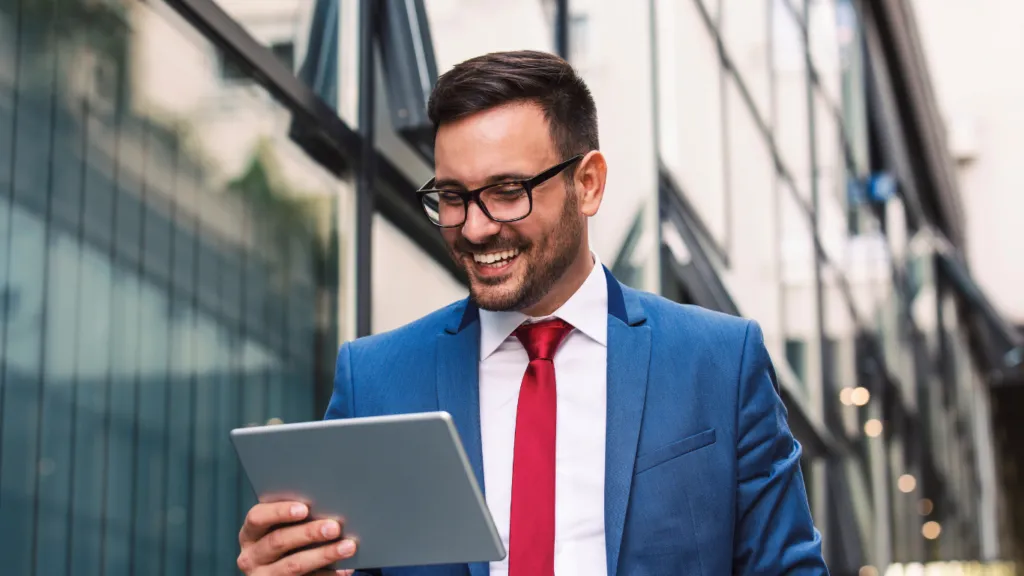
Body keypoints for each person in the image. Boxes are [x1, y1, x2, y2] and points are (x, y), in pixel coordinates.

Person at [236, 50, 829, 576]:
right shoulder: (375, 379)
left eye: (506, 191)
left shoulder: (719, 363)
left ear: (589, 184)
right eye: (451, 197)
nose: (474, 226)